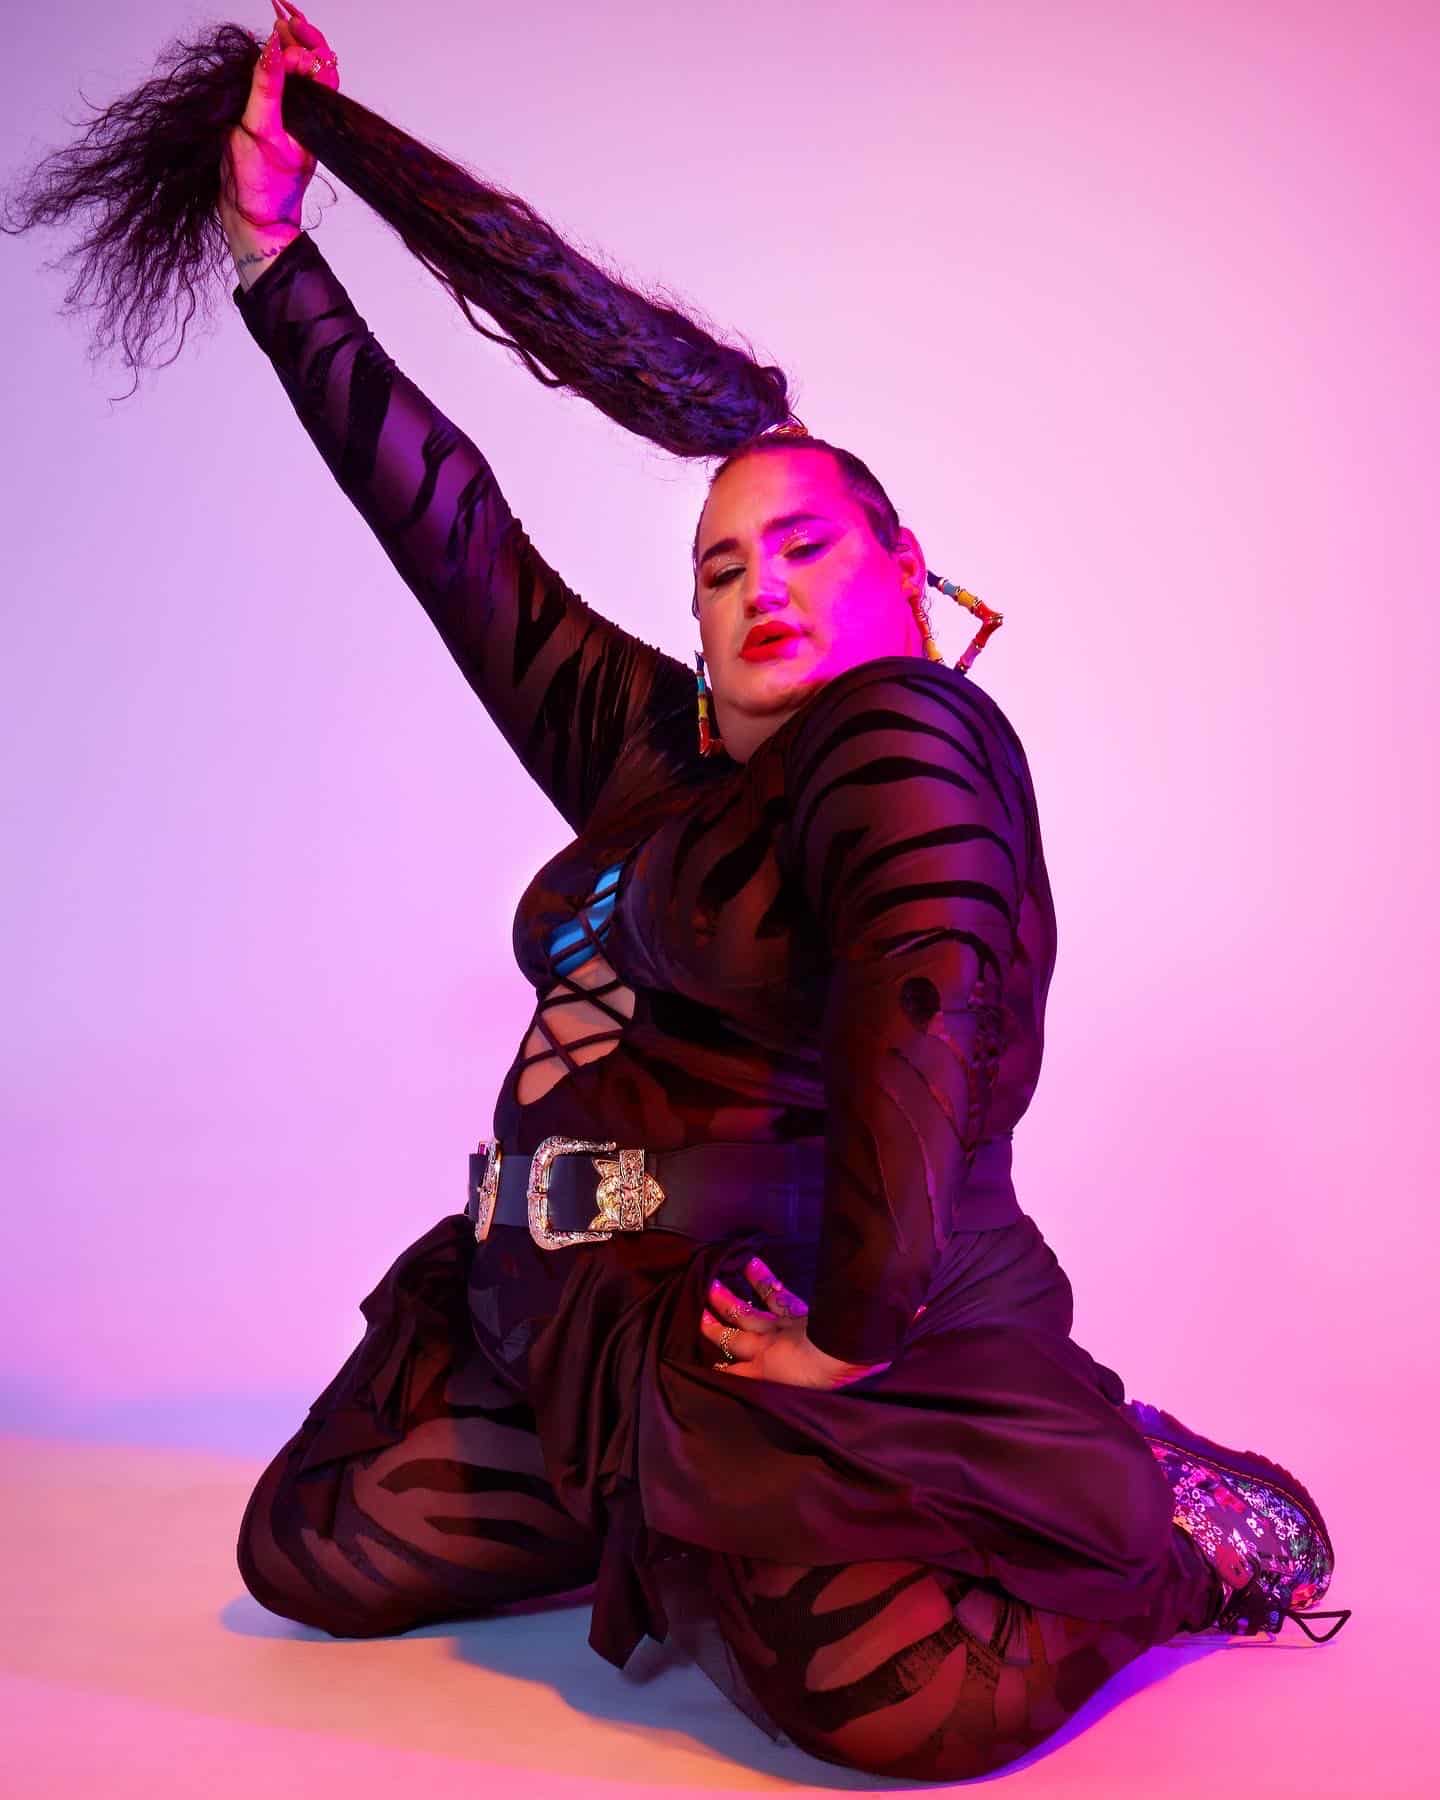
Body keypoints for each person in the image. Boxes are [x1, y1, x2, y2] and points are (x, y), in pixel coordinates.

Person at [10, 3, 1350, 1779]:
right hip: (563, 1314)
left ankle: (1170, 1526)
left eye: (803, 547)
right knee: (311, 1544)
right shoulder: (667, 757)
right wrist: (274, 255)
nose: (759, 589)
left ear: (906, 571)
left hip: (771, 1307)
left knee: (892, 1703)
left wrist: (856, 1330)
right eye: (721, 569)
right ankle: (659, 1516)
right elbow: (460, 539)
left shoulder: (906, 738)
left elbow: (923, 995)